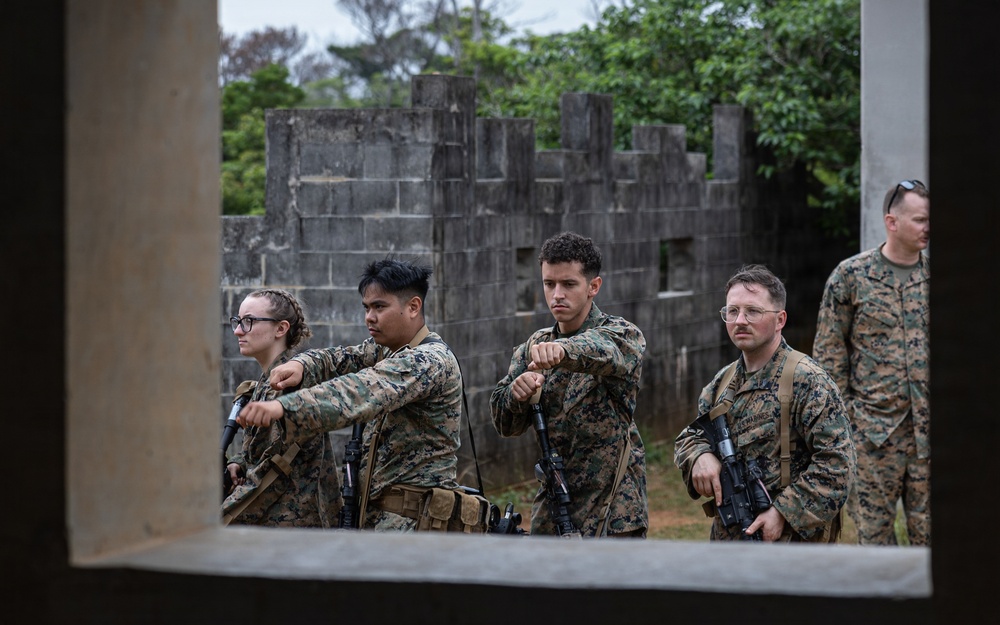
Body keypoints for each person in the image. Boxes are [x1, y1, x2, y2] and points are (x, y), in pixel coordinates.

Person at [236, 258, 465, 531]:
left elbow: (358, 391)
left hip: (414, 524)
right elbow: (340, 358)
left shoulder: (428, 360)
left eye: (379, 307)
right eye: (366, 308)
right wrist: (301, 364)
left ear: (413, 307)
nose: (369, 317)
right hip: (379, 516)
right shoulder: (386, 350)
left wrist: (285, 408)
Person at [674, 264, 855, 542]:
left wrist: (783, 512)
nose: (740, 320)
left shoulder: (808, 381)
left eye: (753, 311)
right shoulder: (722, 383)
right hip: (729, 540)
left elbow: (838, 465)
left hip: (792, 544)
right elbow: (691, 436)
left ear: (780, 319)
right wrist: (700, 455)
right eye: (732, 311)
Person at [490, 232, 648, 538]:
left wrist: (563, 350)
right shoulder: (535, 345)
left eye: (569, 284)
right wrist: (516, 394)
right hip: (554, 504)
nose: (557, 295)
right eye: (549, 284)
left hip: (612, 509)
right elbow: (504, 425)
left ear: (593, 287)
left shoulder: (622, 334)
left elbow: (604, 349)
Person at [812, 179, 931, 546]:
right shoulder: (850, 277)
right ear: (892, 222)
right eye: (920, 219)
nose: (928, 227)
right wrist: (848, 424)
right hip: (872, 438)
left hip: (930, 437)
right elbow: (828, 357)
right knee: (876, 546)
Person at [222, 288, 343, 527]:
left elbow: (269, 472)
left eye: (249, 321)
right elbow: (261, 450)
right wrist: (239, 462)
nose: (238, 330)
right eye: (238, 321)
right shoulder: (267, 382)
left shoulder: (286, 385)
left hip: (293, 529)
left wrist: (218, 516)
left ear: (281, 329)